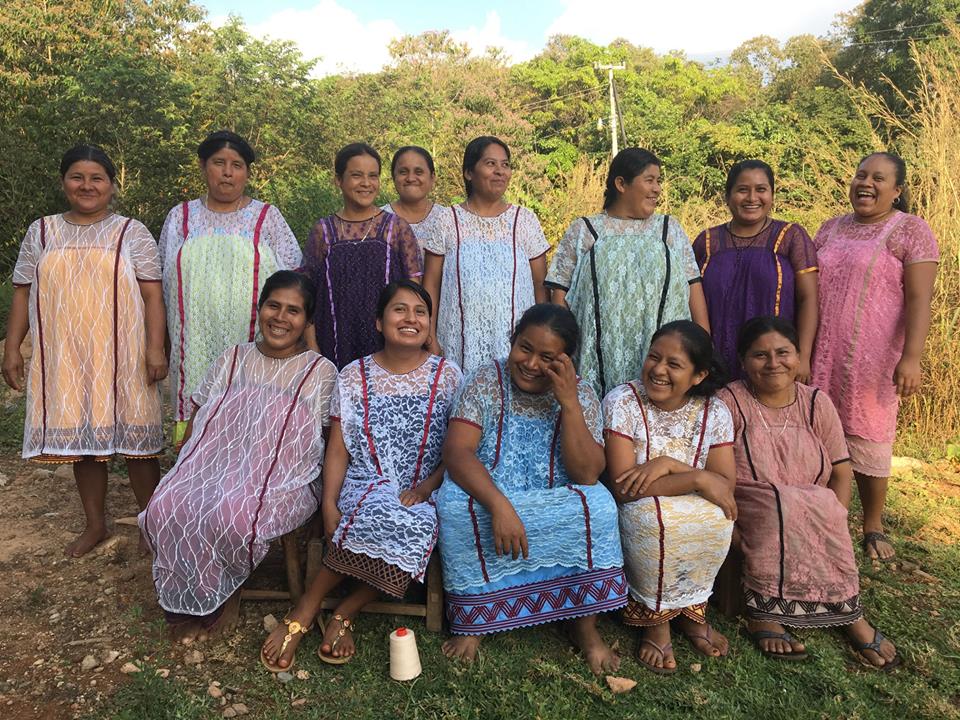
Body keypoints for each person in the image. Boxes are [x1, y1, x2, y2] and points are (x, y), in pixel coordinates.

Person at [261, 280, 461, 670]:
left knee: (414, 525)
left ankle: (338, 610)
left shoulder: (449, 375)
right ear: (379, 322)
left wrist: (426, 487)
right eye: (399, 309)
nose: (411, 318)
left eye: (420, 312)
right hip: (366, 481)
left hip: (426, 488)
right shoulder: (354, 375)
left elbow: (459, 448)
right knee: (372, 514)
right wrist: (329, 502)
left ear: (429, 325)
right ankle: (313, 609)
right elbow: (338, 447)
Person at [140, 271, 337, 645]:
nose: (281, 317)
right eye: (273, 306)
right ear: (260, 308)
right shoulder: (233, 358)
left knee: (233, 513)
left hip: (285, 481)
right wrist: (186, 467)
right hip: (213, 467)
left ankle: (222, 597)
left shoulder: (319, 372)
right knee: (166, 505)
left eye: (293, 311)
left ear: (308, 321)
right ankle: (190, 600)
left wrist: (325, 501)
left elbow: (329, 441)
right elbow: (201, 413)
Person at [435, 304, 626, 674]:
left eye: (548, 358)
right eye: (525, 348)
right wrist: (499, 505)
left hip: (554, 496)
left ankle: (583, 626)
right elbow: (457, 452)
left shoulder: (581, 393)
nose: (532, 364)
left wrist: (569, 403)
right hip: (489, 490)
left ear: (566, 361)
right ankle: (475, 620)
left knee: (599, 507)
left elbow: (587, 474)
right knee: (455, 506)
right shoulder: (485, 379)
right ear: (513, 340)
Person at [3, 144, 166, 558]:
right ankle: (95, 525)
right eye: (77, 177)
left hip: (124, 355)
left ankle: (152, 524)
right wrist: (12, 348)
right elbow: (22, 293)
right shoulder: (42, 232)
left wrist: (155, 348)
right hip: (67, 356)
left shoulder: (131, 232)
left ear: (111, 185)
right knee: (85, 441)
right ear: (64, 183)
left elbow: (152, 296)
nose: (87, 185)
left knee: (138, 441)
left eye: (97, 178)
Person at [719, 316, 901, 670]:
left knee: (820, 506)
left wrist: (836, 515)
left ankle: (849, 613)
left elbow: (841, 470)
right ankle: (765, 614)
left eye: (783, 353)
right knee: (782, 504)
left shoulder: (817, 402)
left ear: (799, 356)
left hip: (813, 502)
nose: (773, 363)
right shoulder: (730, 402)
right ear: (743, 360)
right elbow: (718, 470)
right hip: (755, 502)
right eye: (760, 355)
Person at [812, 152, 939, 561]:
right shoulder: (829, 228)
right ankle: (824, 516)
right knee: (819, 431)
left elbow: (919, 300)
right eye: (861, 175)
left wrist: (912, 357)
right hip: (823, 350)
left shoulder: (911, 230)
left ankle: (872, 524)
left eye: (878, 178)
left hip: (875, 355)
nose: (866, 183)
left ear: (896, 190)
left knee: (870, 435)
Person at [602, 320, 736, 674]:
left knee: (718, 517)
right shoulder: (623, 402)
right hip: (638, 505)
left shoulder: (715, 411)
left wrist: (669, 465)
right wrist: (697, 479)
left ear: (698, 375)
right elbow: (623, 488)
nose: (658, 370)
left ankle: (693, 612)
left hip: (689, 498)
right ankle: (656, 621)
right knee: (655, 520)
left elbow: (724, 485)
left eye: (674, 364)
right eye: (654, 357)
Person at [158, 130, 303, 446]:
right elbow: (161, 285)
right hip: (192, 347)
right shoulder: (181, 218)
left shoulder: (266, 218)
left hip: (254, 345)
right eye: (218, 163)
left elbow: (294, 279)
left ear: (247, 172)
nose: (227, 172)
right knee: (197, 435)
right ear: (203, 166)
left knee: (251, 427)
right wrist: (158, 345)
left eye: (236, 165)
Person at [546, 148, 709, 398]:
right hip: (596, 359)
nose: (657, 189)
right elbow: (560, 295)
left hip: (663, 359)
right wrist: (561, 351)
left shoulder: (669, 229)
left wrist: (705, 346)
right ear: (621, 184)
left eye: (658, 181)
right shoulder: (585, 230)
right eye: (649, 180)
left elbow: (693, 286)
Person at [422, 136, 549, 371]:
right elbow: (430, 284)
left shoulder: (524, 220)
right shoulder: (447, 220)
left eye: (505, 164)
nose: (500, 171)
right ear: (469, 172)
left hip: (516, 346)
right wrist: (430, 336)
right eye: (490, 164)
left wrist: (543, 339)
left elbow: (540, 284)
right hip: (458, 345)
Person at [692, 160, 818, 381]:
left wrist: (803, 357)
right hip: (716, 357)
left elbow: (808, 299)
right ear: (727, 196)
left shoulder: (791, 236)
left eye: (761, 189)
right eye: (742, 190)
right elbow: (691, 299)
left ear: (772, 195)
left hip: (773, 361)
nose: (752, 198)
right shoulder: (707, 241)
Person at [303, 143, 423, 369]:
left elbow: (414, 291)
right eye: (357, 175)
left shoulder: (396, 228)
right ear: (338, 180)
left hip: (388, 347)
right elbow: (307, 292)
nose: (366, 183)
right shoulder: (323, 231)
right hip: (333, 343)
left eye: (373, 176)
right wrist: (311, 345)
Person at [383, 146, 448, 258]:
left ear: (432, 177)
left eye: (419, 172)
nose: (410, 178)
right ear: (393, 177)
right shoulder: (379, 220)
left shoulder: (446, 218)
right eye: (403, 172)